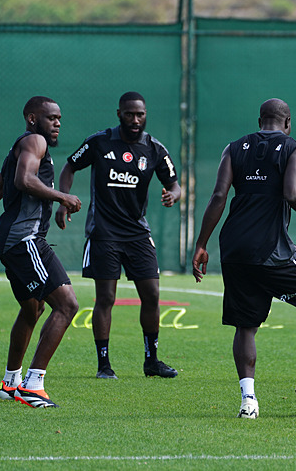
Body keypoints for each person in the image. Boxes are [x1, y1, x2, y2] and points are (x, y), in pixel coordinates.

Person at [191, 98, 296, 419]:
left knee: (246, 326)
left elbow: (219, 196)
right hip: (270, 249)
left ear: (259, 120)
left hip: (233, 248)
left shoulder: (232, 148)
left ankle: (248, 402)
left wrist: (201, 244)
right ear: (288, 122)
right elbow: (293, 192)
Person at [56, 91, 181, 380]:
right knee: (106, 298)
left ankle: (152, 361)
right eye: (129, 114)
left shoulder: (154, 149)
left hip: (138, 233)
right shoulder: (100, 142)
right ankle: (104, 365)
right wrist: (64, 199)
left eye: (140, 114)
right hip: (104, 232)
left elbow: (175, 184)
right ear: (119, 114)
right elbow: (70, 166)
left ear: (146, 114)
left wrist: (172, 195)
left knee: (152, 295)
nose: (135, 119)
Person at [0, 96, 82, 408]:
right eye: (51, 118)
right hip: (26, 240)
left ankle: (10, 383)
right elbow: (25, 180)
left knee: (32, 309)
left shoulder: (19, 150)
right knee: (67, 305)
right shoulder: (35, 142)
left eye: (60, 118)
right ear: (32, 119)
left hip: (9, 241)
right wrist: (62, 196)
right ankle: (33, 385)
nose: (57, 124)